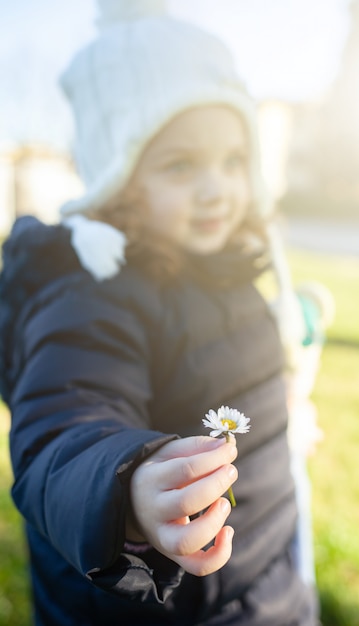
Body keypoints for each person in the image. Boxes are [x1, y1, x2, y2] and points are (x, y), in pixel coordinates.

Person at [0, 1, 319, 624]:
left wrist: (282, 416)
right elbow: (65, 418)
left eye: (232, 160)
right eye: (180, 164)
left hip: (265, 574)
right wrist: (126, 483)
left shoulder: (224, 266)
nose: (216, 187)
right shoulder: (92, 291)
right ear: (116, 178)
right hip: (173, 603)